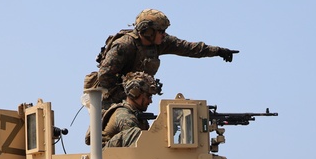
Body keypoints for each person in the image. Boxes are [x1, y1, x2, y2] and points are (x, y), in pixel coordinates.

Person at [85, 9, 236, 106]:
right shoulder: (125, 45)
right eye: (161, 31)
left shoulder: (160, 43)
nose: (164, 35)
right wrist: (127, 96)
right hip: (110, 100)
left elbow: (189, 48)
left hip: (136, 100)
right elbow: (105, 76)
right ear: (148, 31)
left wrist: (218, 51)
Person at [86, 71, 158, 148]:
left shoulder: (136, 114)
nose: (150, 101)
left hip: (117, 154)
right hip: (107, 155)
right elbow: (140, 141)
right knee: (136, 133)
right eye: (148, 96)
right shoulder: (123, 114)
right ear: (135, 93)